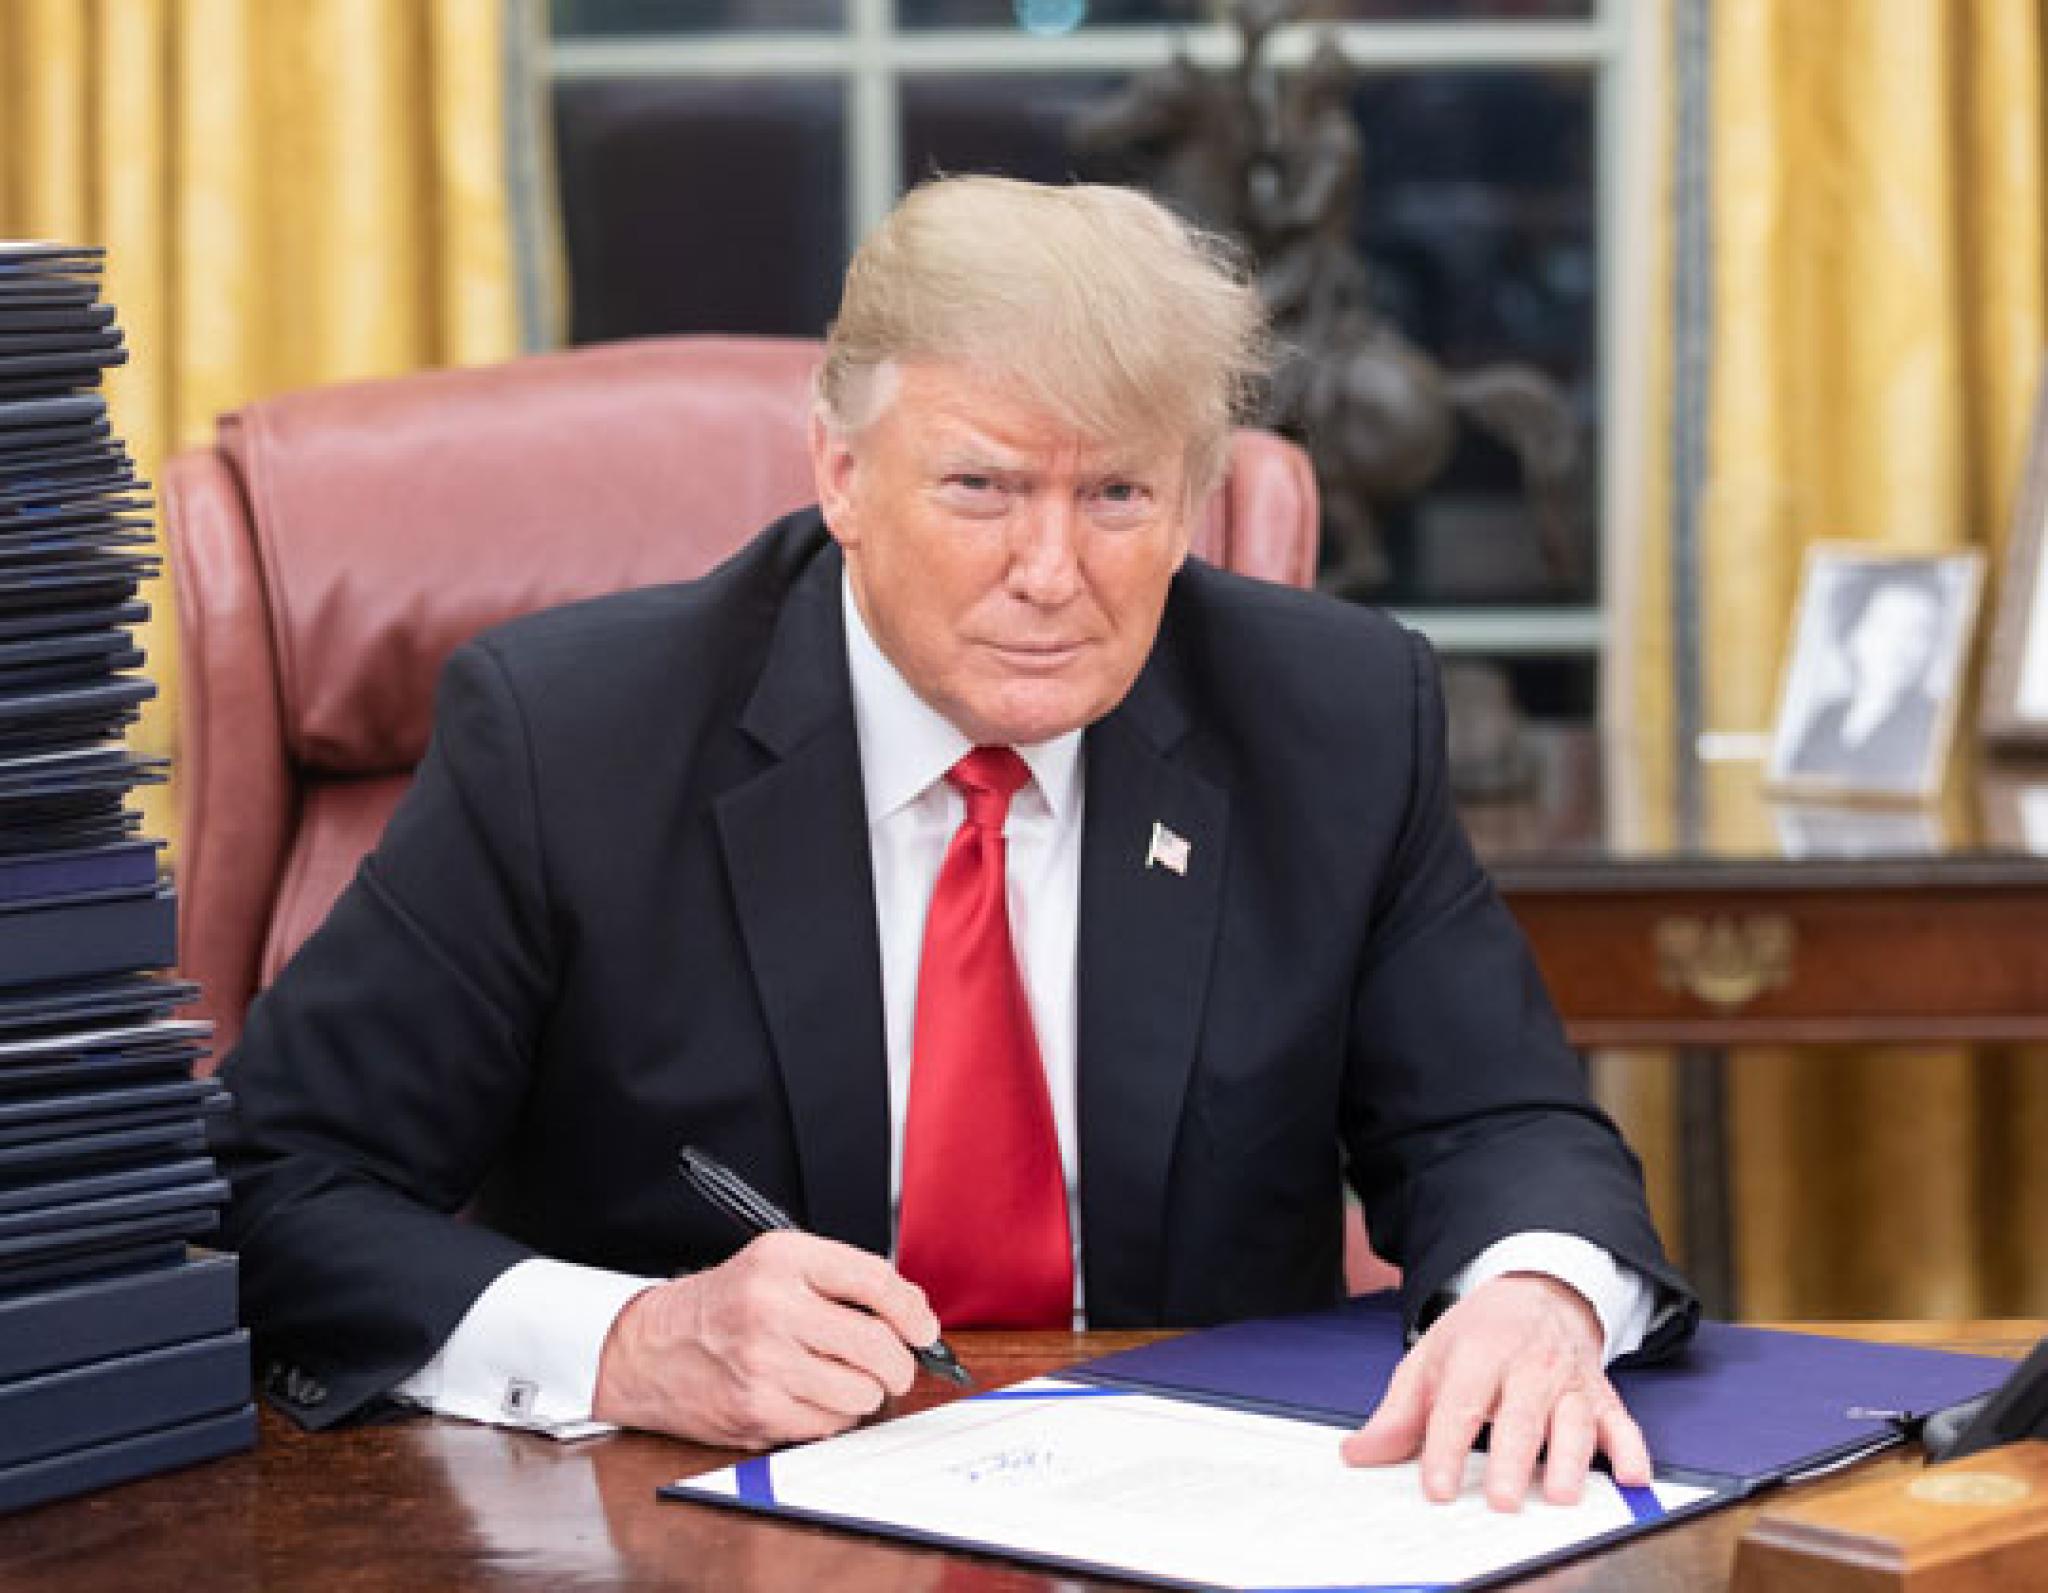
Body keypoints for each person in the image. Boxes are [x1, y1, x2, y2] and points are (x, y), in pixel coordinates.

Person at [213, 176, 1695, 1514]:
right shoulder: (572, 739)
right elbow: (278, 1184)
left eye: (1116, 493)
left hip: (1195, 1519)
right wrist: (627, 1341)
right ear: (843, 475)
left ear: (1193, 504)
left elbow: (1499, 1128)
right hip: (704, 1527)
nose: (1051, 575)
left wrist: (1534, 1296)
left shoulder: (1334, 718)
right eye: (982, 487)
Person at [1785, 569, 1948, 792]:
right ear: (1853, 635)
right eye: (1886, 627)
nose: (1899, 646)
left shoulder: (1935, 721)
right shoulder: (1827, 717)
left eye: (1919, 632)